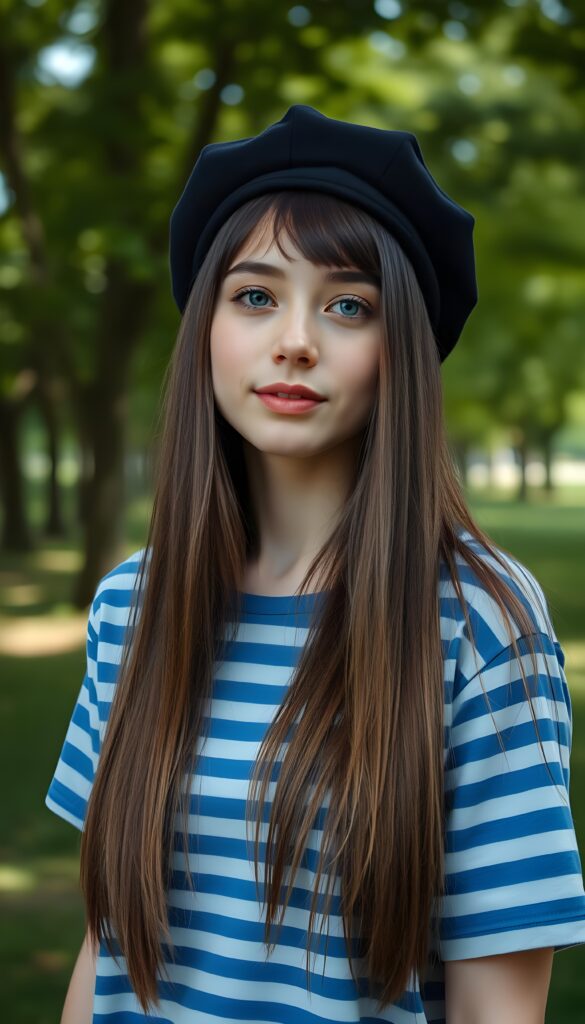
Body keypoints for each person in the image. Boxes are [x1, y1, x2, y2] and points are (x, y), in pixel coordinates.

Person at [45, 104, 585, 1023]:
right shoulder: (126, 608)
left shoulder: (479, 619)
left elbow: (499, 1005)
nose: (294, 338)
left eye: (347, 306)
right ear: (206, 331)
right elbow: (107, 944)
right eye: (255, 296)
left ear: (398, 351)